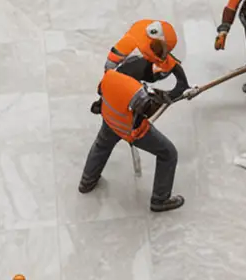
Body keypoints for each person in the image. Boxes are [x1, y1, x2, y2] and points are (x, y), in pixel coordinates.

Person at [78, 67, 184, 212]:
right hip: (131, 130)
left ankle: (87, 182)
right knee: (169, 153)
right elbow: (149, 110)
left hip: (110, 119)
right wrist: (168, 97)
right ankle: (160, 200)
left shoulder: (110, 76)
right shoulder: (138, 94)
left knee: (102, 145)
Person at [103, 19, 190, 98]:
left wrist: (182, 85)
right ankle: (136, 95)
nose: (161, 53)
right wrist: (107, 80)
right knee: (129, 68)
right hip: (138, 68)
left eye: (165, 50)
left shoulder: (164, 47)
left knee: (165, 65)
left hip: (152, 70)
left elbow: (171, 63)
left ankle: (182, 86)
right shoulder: (135, 36)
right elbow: (116, 55)